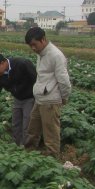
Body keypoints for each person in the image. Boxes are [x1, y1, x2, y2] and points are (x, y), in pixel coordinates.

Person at [23, 27, 71, 159]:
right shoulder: (41, 54)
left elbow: (64, 79)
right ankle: (28, 157)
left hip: (50, 102)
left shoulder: (55, 55)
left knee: (51, 136)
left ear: (43, 39)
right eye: (30, 45)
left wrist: (64, 96)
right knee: (33, 132)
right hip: (40, 100)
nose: (33, 48)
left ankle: (53, 163)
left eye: (35, 44)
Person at [0, 52, 37, 146]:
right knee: (16, 124)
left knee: (27, 126)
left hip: (30, 98)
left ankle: (27, 151)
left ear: (2, 63)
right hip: (17, 99)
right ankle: (15, 147)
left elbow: (36, 79)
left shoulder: (22, 64)